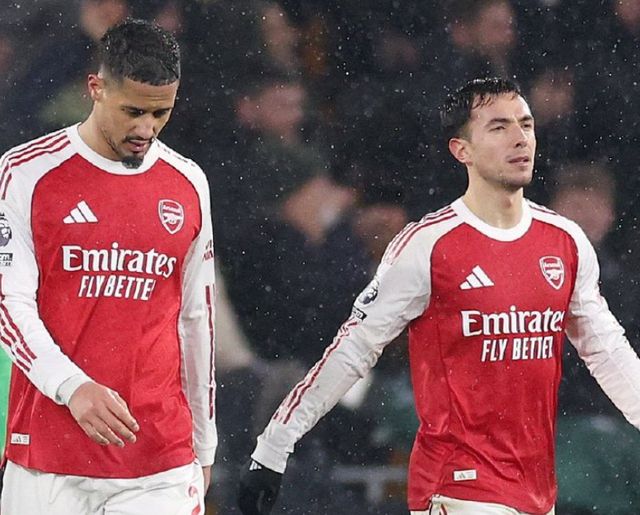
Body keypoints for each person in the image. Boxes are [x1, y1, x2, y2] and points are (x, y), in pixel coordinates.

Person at [236, 77, 640, 515]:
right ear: (462, 150)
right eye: (499, 127)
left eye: (526, 124)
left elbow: (607, 351)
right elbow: (353, 349)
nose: (520, 138)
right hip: (456, 489)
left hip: (537, 490)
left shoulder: (565, 241)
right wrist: (274, 446)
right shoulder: (427, 245)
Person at [0, 19, 216, 514]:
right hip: (49, 456)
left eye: (161, 113)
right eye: (133, 111)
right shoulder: (26, 173)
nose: (146, 129)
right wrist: (71, 385)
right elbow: (8, 304)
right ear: (96, 88)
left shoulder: (188, 183)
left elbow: (196, 319)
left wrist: (204, 445)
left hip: (158, 461)